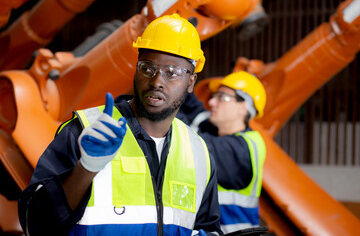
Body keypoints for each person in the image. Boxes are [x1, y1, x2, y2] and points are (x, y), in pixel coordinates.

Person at [18, 14, 222, 236]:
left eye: (172, 72)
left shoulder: (197, 151)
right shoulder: (85, 131)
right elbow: (34, 225)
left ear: (191, 81)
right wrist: (87, 167)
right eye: (147, 68)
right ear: (136, 70)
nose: (156, 81)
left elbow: (207, 227)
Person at [177, 71, 267, 233]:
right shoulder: (216, 130)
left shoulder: (241, 149)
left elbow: (189, 140)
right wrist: (181, 75)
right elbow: (193, 110)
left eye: (222, 97)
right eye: (214, 96)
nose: (211, 102)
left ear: (243, 107)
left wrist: (164, 106)